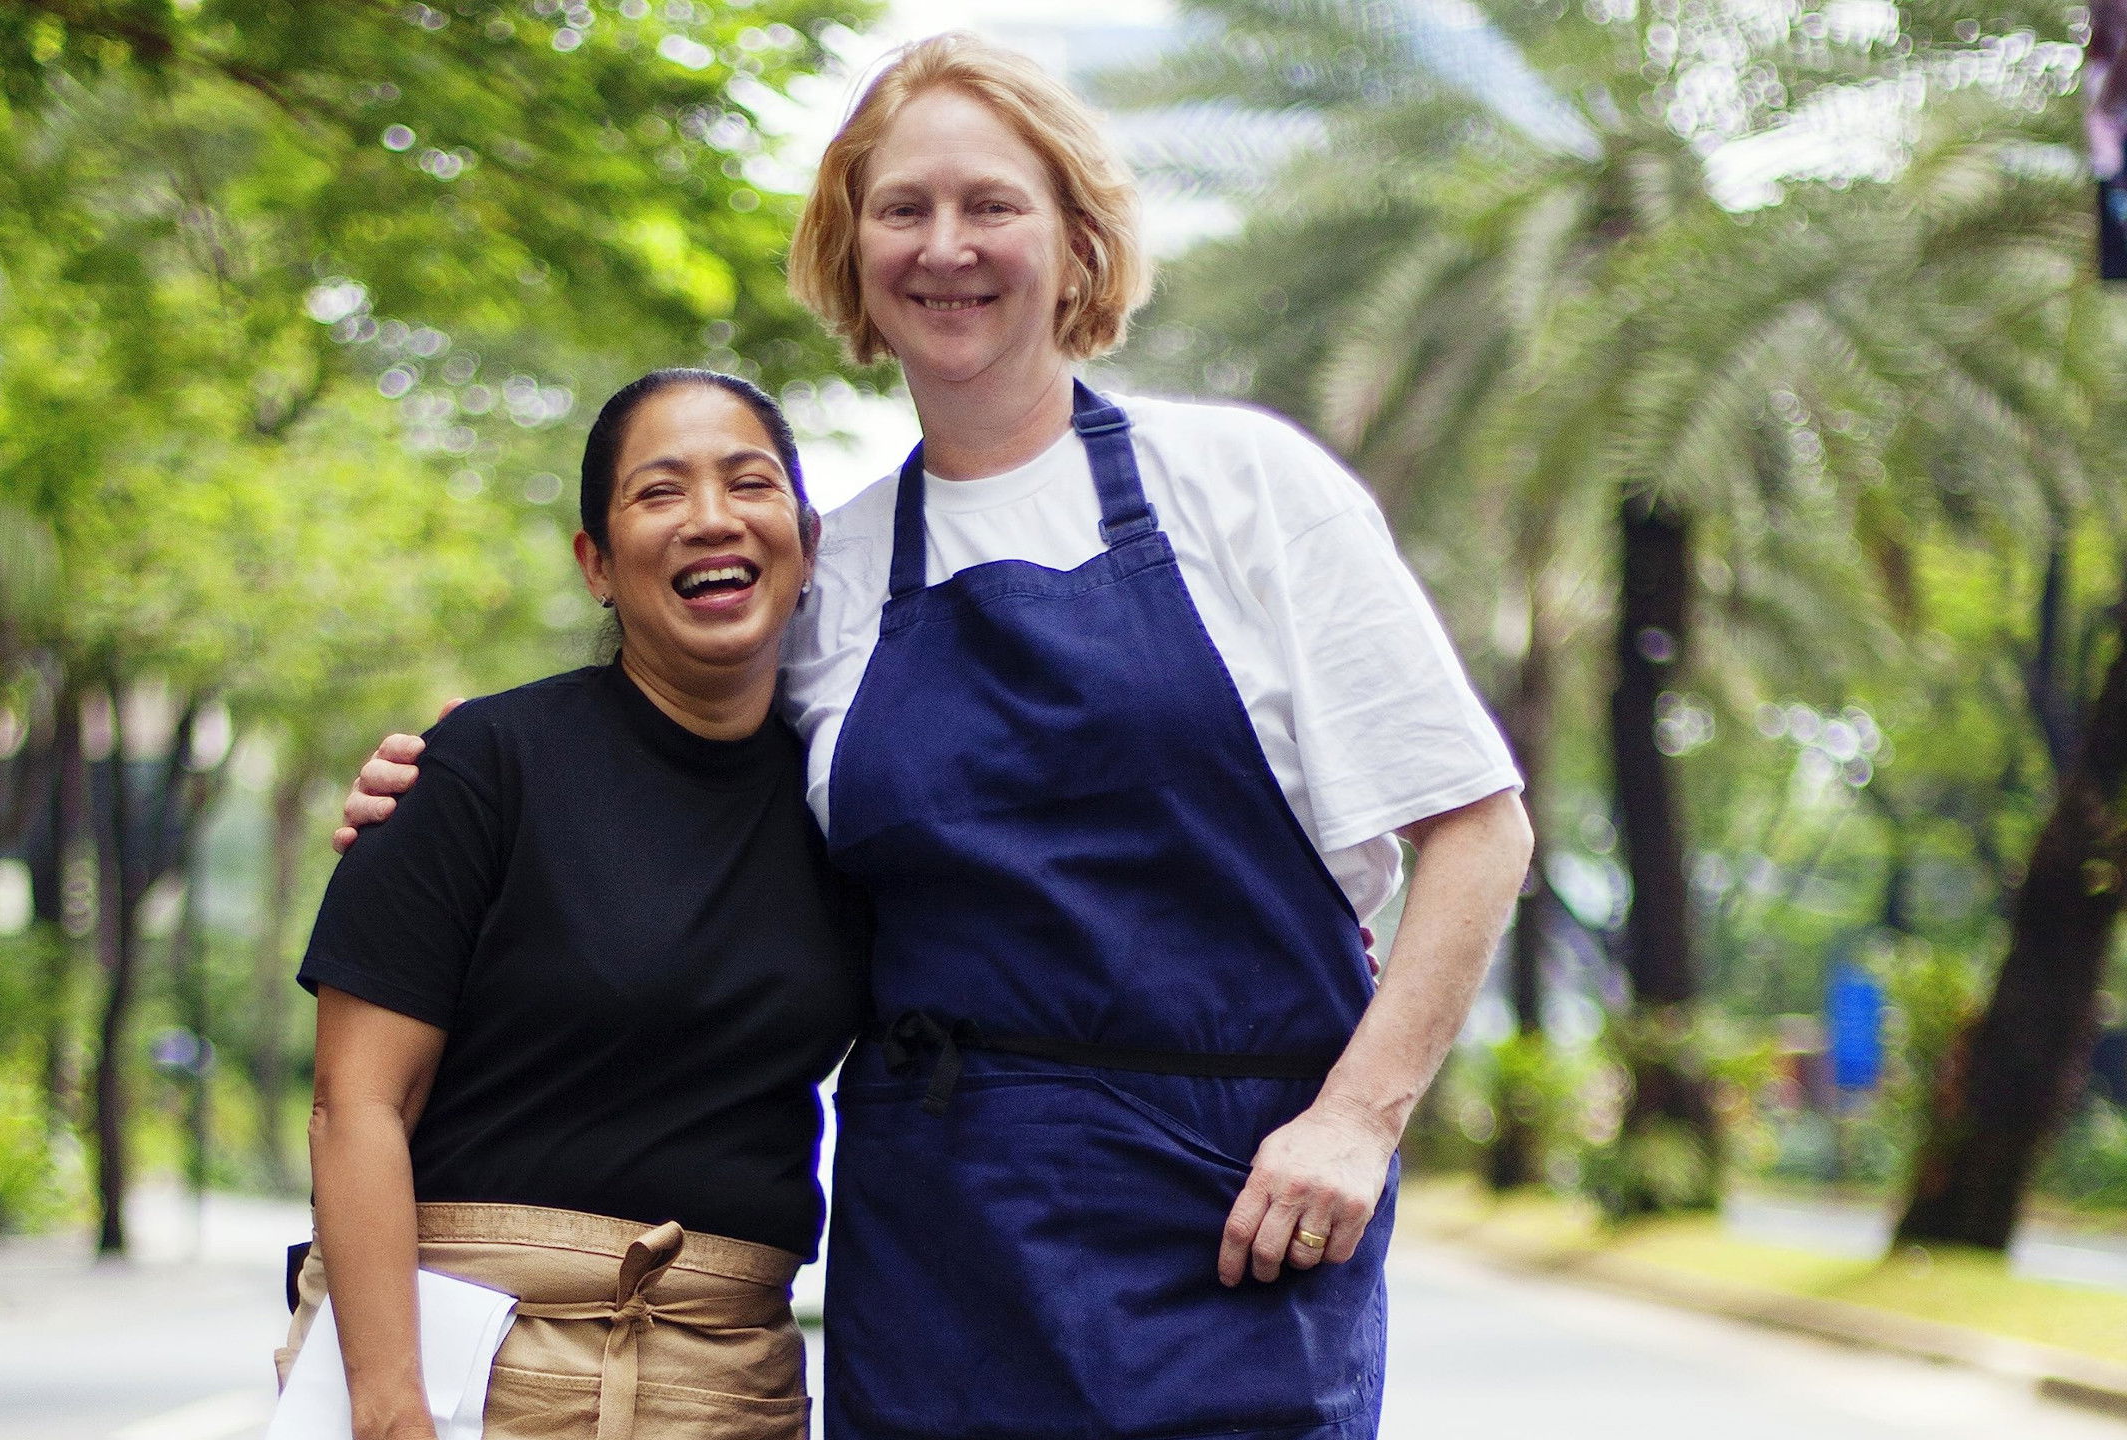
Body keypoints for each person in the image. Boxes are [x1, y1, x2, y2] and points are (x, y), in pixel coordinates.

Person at [341, 34, 1533, 1440]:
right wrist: (450, 783)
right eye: (901, 210)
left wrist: (1359, 1119)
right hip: (939, 1256)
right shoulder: (829, 574)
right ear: (854, 259)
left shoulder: (1243, 486)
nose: (944, 247)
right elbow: (665, 754)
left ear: (1077, 242)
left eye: (990, 205)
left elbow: (1476, 827)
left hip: (1237, 1221)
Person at [289, 369, 866, 1440]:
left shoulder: (852, 804)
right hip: (473, 1377)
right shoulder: (482, 766)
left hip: (731, 1387)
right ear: (595, 563)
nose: (712, 518)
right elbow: (355, 1105)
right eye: (660, 491)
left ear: (806, 539)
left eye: (750, 483)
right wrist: (391, 1409)